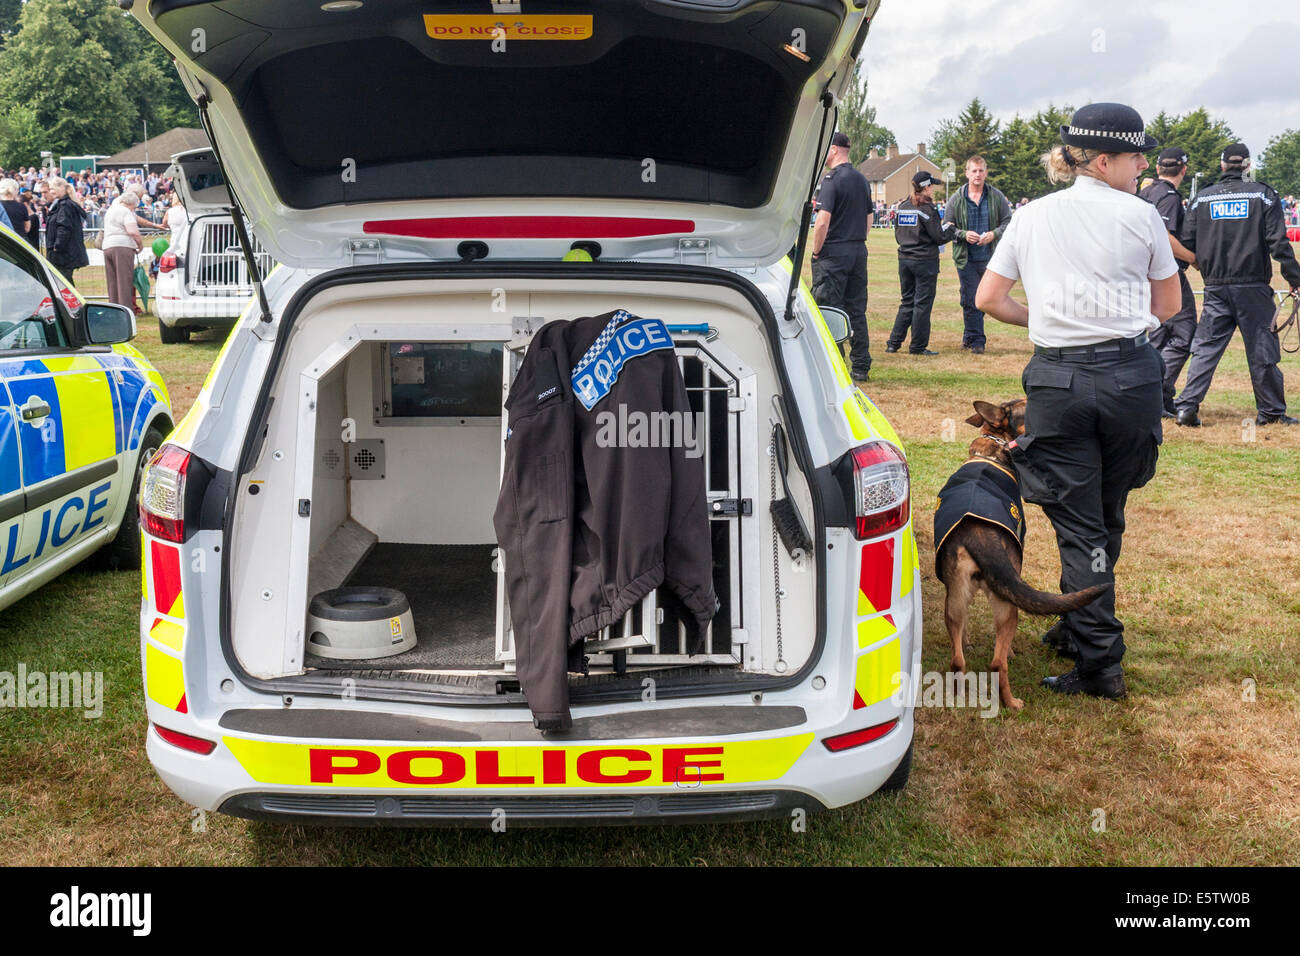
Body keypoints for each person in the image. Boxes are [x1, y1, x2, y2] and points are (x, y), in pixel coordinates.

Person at [974, 103, 1183, 700]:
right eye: (1136, 155)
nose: (1144, 164)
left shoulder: (1033, 215)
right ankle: (1089, 639)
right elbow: (1167, 308)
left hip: (1059, 380)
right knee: (1103, 513)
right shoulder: (1142, 216)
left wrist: (1049, 320)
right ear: (1102, 160)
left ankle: (1094, 654)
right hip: (1129, 378)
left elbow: (990, 297)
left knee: (1083, 524)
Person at [1174, 143, 1300, 427]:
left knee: (1205, 349)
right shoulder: (1263, 195)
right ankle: (1270, 412)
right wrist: (1295, 278)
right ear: (1247, 166)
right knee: (1262, 349)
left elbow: (1186, 244)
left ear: (1222, 165)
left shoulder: (1201, 199)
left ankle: (1186, 407)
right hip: (1252, 287)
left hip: (1215, 286)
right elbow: (1278, 243)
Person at [1138, 148, 1200, 418]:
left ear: (1158, 168)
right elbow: (1163, 236)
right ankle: (1157, 391)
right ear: (1184, 170)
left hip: (1145, 272)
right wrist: (1194, 258)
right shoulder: (1169, 196)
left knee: (1159, 336)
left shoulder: (1147, 191)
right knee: (1184, 336)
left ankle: (1156, 398)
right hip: (1167, 273)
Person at [811, 131, 873, 384]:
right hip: (858, 250)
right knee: (856, 309)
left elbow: (822, 221)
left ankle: (834, 364)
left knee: (829, 309)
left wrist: (816, 252)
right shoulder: (861, 179)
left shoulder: (831, 180)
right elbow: (869, 218)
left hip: (834, 253)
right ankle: (861, 365)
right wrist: (857, 238)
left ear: (834, 150)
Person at [944, 156, 1014, 354]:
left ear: (986, 172)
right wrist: (964, 234)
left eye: (981, 171)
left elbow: (1008, 222)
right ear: (966, 173)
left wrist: (994, 234)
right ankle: (977, 342)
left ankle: (969, 336)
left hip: (991, 257)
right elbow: (947, 227)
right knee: (970, 297)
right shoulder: (956, 198)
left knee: (984, 299)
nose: (977, 175)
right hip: (965, 257)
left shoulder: (996, 196)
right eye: (973, 171)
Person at [886, 170, 958, 354]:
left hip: (904, 259)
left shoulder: (903, 206)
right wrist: (951, 230)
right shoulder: (927, 209)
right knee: (922, 304)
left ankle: (893, 343)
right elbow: (938, 236)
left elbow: (897, 234)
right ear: (926, 186)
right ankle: (918, 346)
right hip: (925, 261)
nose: (933, 189)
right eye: (931, 185)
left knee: (907, 301)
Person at [103, 185, 147, 310]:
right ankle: (126, 310)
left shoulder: (110, 210)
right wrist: (140, 245)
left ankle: (114, 308)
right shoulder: (126, 212)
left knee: (112, 282)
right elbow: (133, 231)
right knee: (124, 281)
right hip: (122, 246)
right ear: (132, 204)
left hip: (108, 246)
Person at [44, 177, 90, 287]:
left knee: (64, 283)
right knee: (63, 283)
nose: (51, 192)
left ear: (60, 188)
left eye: (52, 189)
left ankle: (72, 303)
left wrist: (57, 246)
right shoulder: (64, 205)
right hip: (64, 252)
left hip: (63, 254)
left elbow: (64, 228)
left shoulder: (65, 206)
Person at [0, 179, 33, 246]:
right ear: (15, 190)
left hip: (4, 241)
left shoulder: (1, 206)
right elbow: (27, 228)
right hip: (20, 240)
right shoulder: (21, 206)